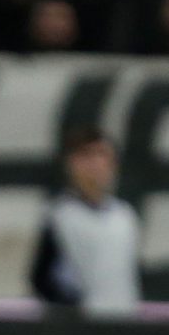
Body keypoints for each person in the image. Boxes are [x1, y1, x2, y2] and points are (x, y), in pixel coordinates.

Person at [29, 126, 141, 314]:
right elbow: (43, 279)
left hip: (124, 320)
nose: (96, 164)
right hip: (83, 325)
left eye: (102, 155)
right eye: (87, 156)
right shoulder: (60, 217)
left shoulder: (125, 216)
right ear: (72, 164)